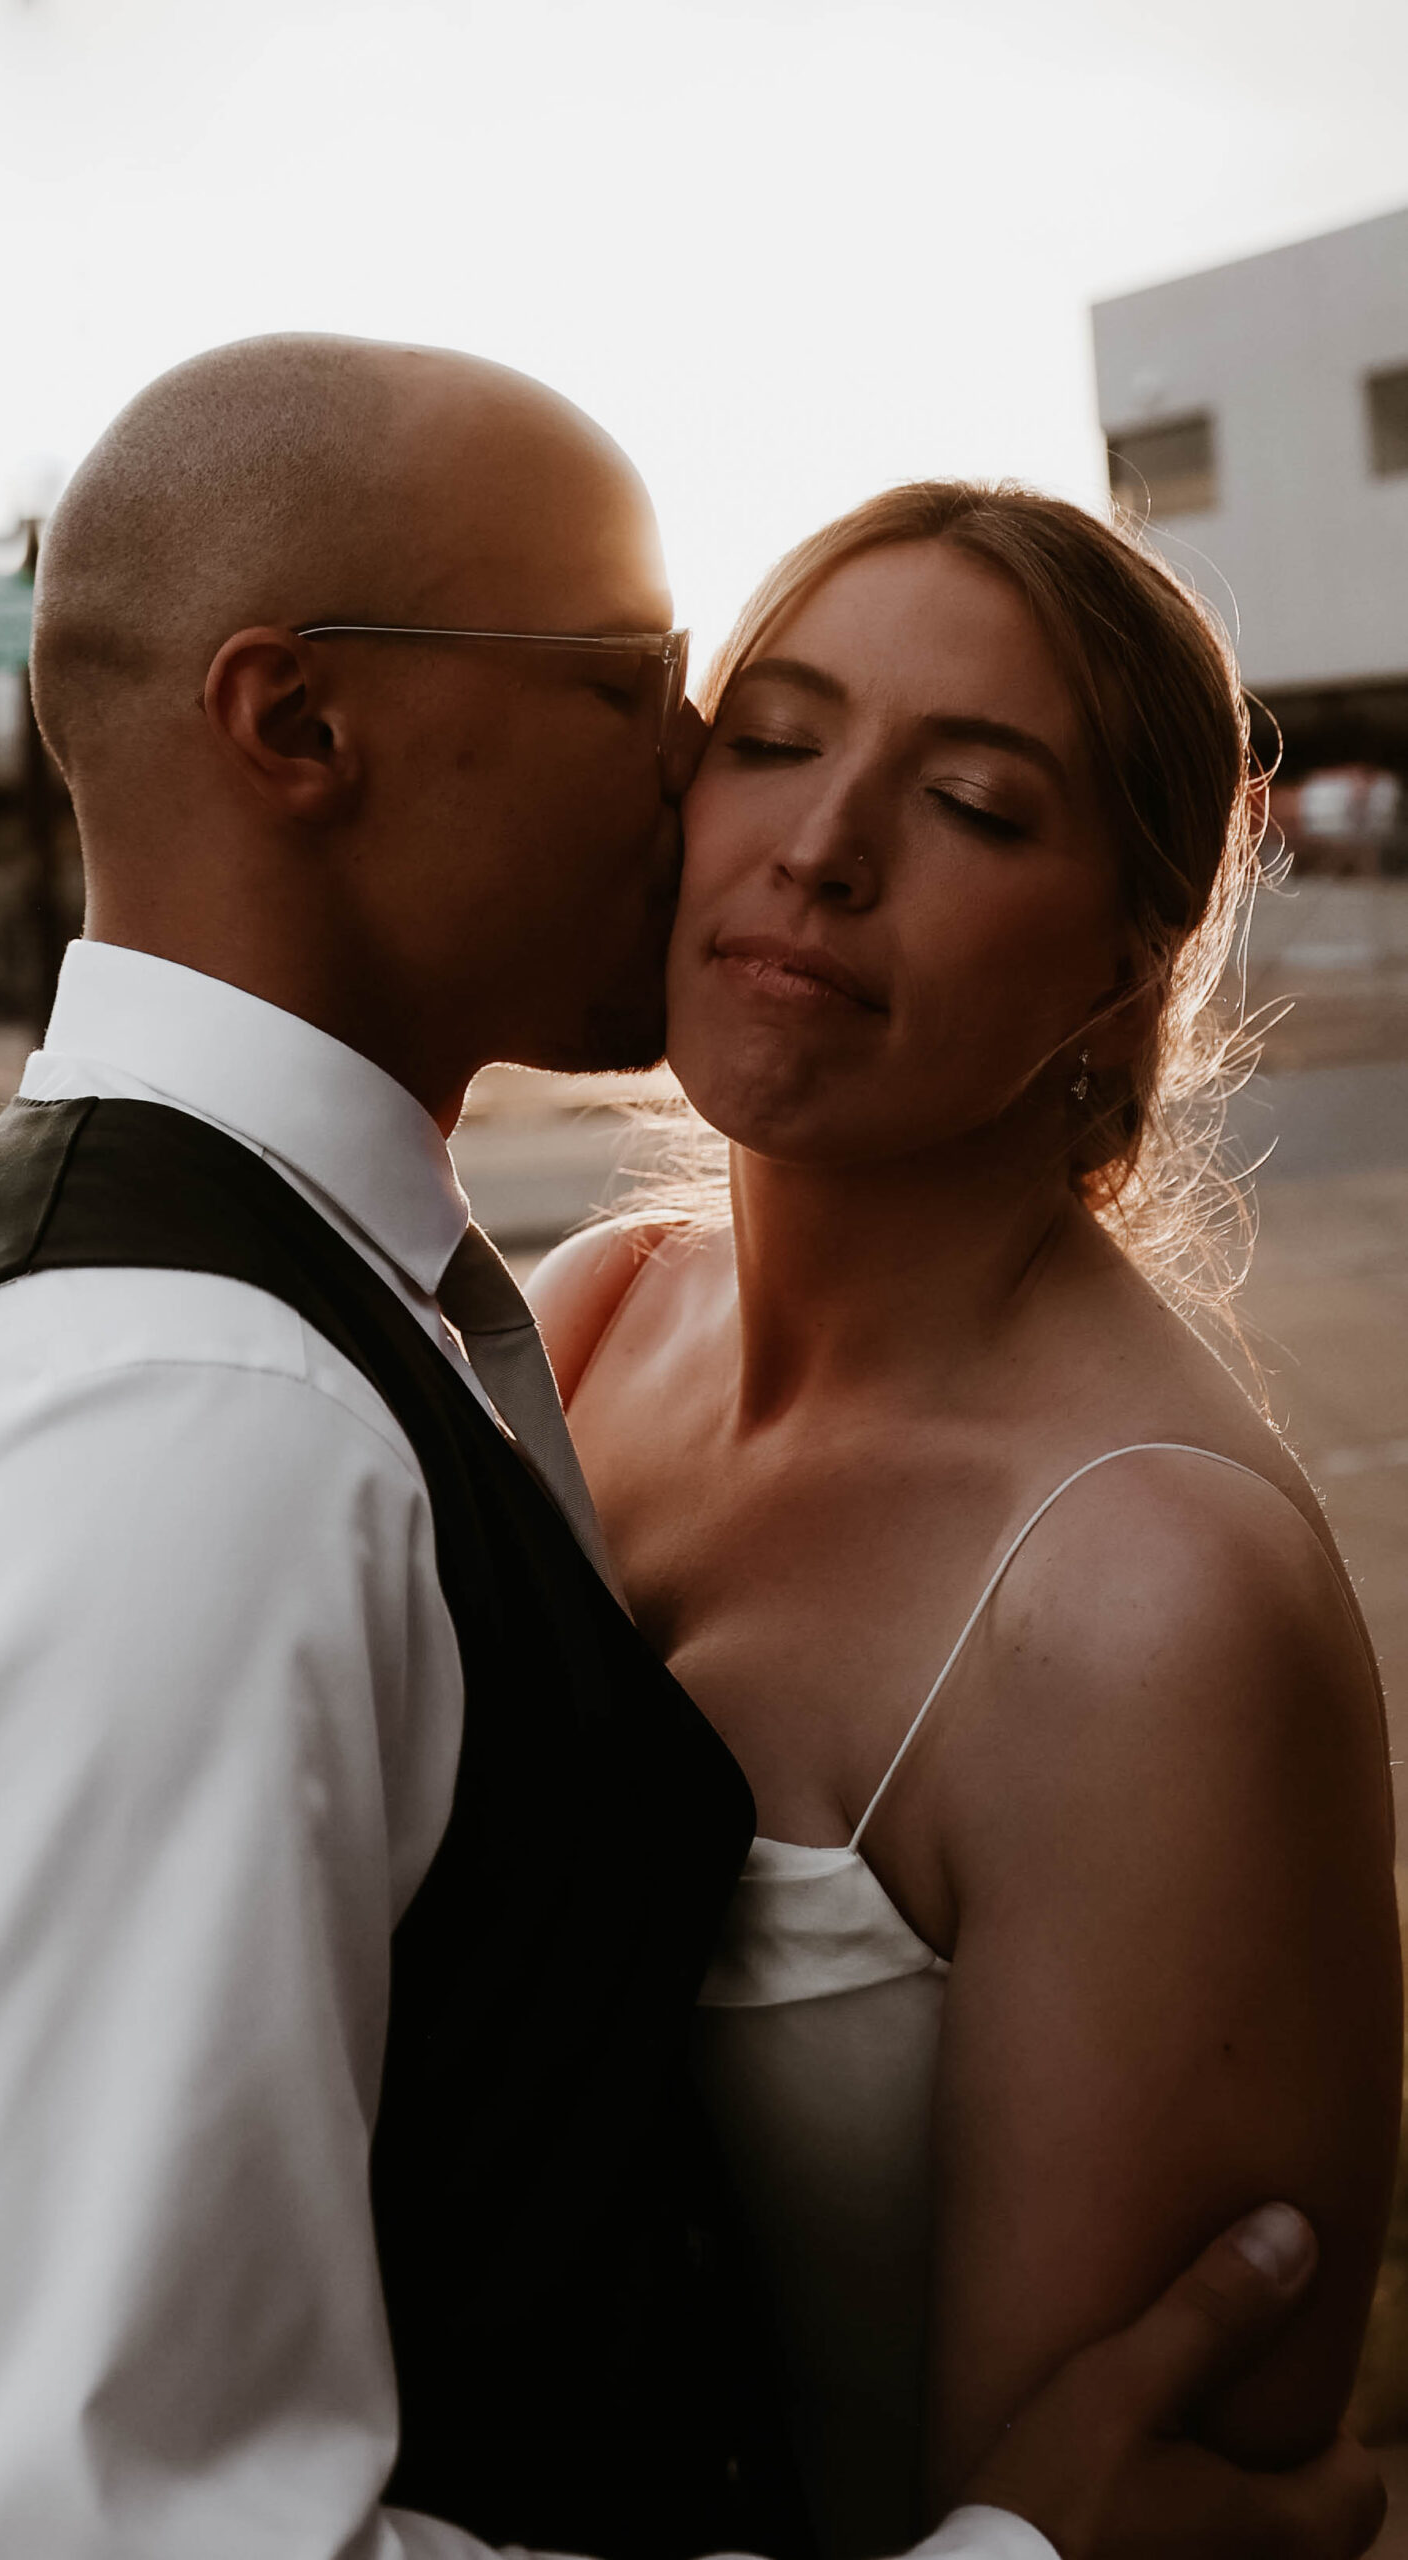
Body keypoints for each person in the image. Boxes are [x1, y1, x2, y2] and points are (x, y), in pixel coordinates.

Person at [0, 348, 1385, 2560]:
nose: (775, 821)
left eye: (975, 802)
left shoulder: (1098, 1574)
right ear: (297, 726)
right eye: (702, 713)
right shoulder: (334, 1378)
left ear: (1125, 954)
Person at [529, 484, 1404, 2560]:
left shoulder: (1136, 1601)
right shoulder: (584, 1323)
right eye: (775, 734)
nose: (819, 845)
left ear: (1126, 963)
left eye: (977, 805)